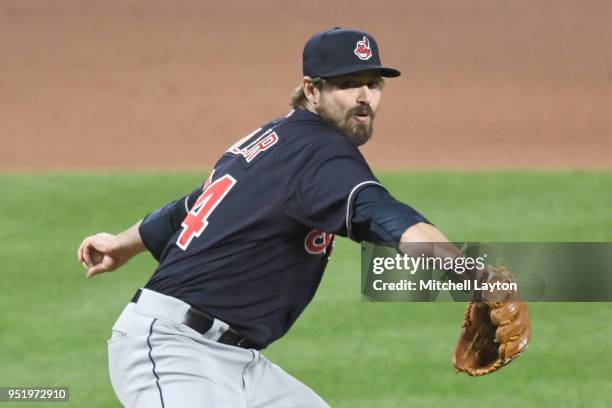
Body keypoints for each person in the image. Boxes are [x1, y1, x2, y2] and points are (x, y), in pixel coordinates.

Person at [78, 27, 464, 407]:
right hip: (175, 352)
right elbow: (387, 219)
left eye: (373, 84)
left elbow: (188, 206)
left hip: (237, 362)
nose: (364, 97)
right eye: (347, 84)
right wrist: (474, 276)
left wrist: (121, 244)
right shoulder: (322, 152)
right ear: (312, 90)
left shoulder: (273, 141)